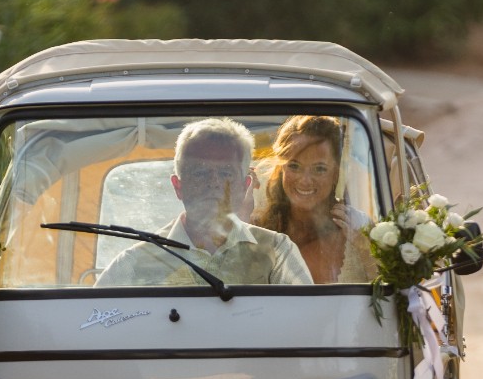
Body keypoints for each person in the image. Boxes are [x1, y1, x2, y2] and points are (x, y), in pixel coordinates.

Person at [94, 118, 313, 288]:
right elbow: (94, 323)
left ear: (244, 185)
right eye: (200, 172)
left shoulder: (277, 253)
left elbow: (309, 322)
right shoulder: (136, 263)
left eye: (225, 173)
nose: (214, 183)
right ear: (178, 186)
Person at [252, 115, 375, 284]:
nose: (305, 180)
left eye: (319, 169)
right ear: (281, 169)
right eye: (294, 166)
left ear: (336, 174)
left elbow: (388, 299)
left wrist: (365, 247)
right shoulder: (258, 227)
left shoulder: (360, 229)